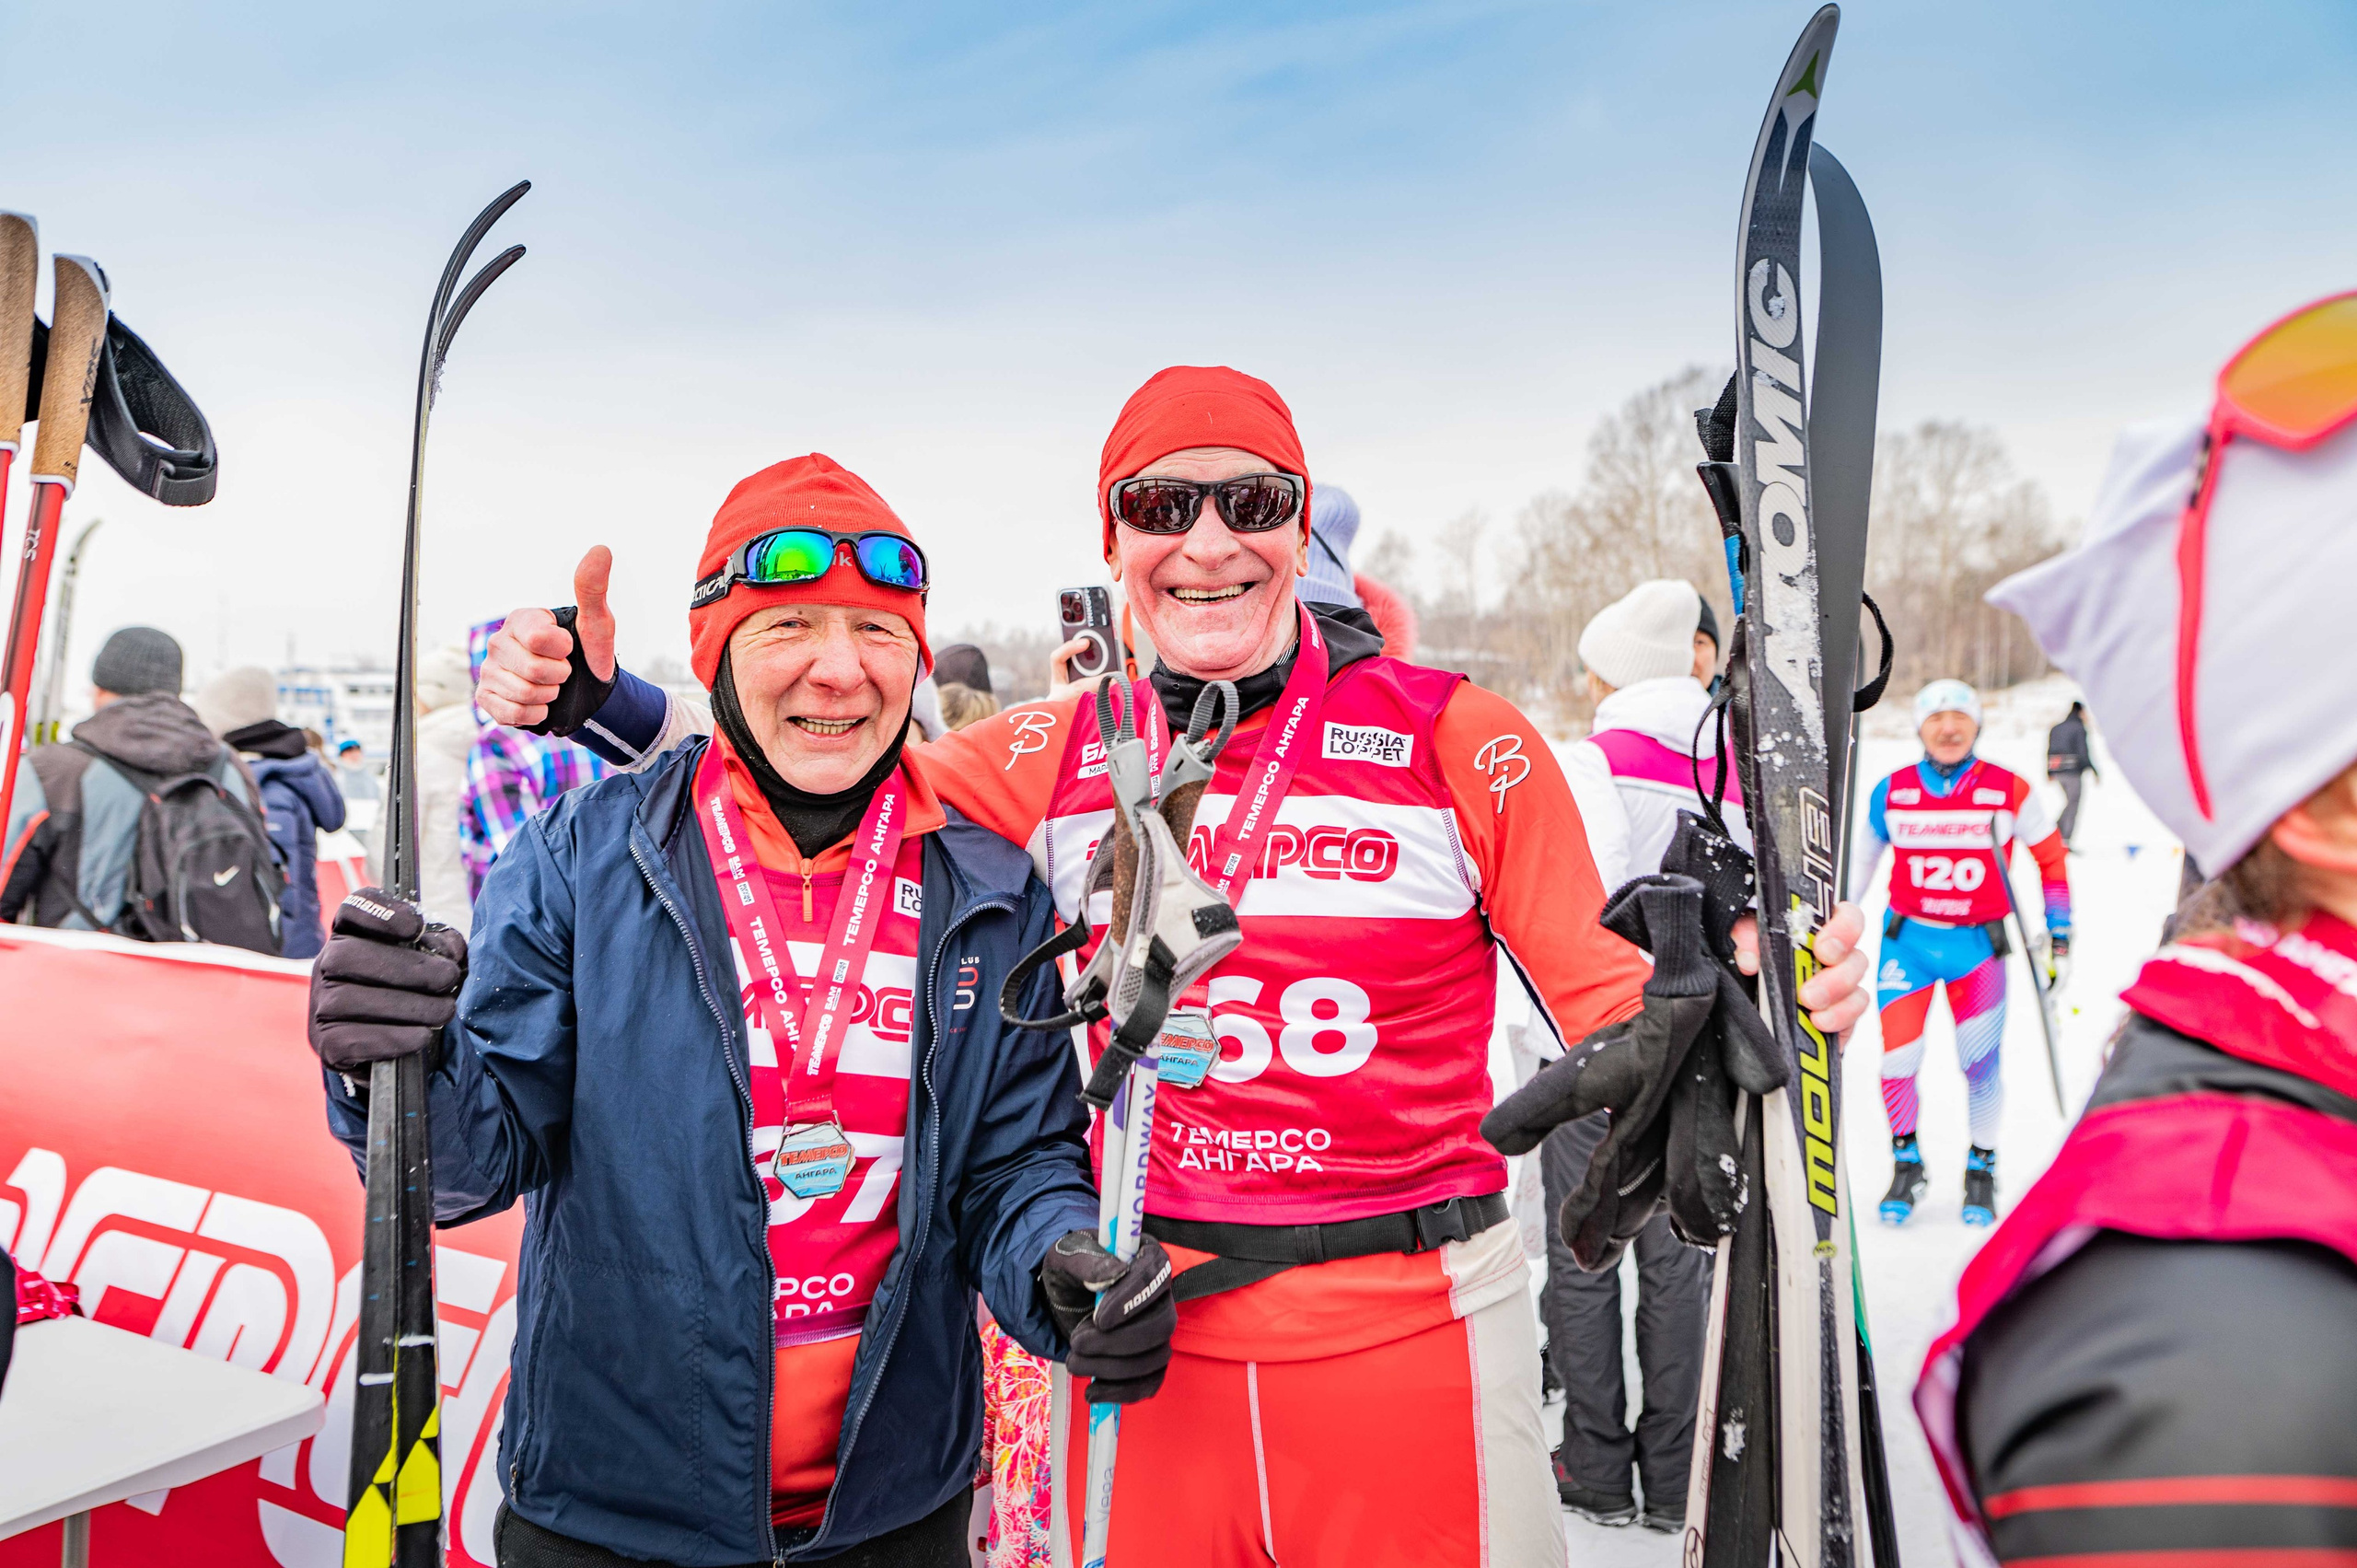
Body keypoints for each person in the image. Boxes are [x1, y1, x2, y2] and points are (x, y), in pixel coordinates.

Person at [475, 366, 1874, 1567]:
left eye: (1252, 501)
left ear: (1299, 524)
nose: (1208, 541)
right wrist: (611, 700)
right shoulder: (1053, 750)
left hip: (1420, 1337)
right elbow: (817, 756)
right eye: (1162, 504)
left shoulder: (1462, 735)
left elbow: (1618, 996)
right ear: (1117, 537)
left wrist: (1747, 995)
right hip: (1153, 1347)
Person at [306, 454, 1162, 1565]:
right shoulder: (588, 855)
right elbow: (469, 1168)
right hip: (614, 1512)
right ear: (714, 654)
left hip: (892, 1512)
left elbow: (1015, 1163)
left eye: (878, 632)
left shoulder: (984, 885)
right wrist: (396, 1059)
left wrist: (1059, 1255)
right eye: (789, 626)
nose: (840, 671)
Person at [1919, 291, 2357, 1562]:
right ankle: (1921, 1163)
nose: (1948, 735)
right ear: (2332, 806)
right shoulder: (2210, 1362)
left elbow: (2040, 856)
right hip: (1933, 953)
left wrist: (2048, 924)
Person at [1545, 578, 1748, 1528]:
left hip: (1602, 1041)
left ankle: (1594, 1462)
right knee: (1678, 1257)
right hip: (1705, 1043)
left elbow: (1569, 911)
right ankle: (1674, 1477)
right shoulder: (1743, 764)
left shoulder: (1591, 761)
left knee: (1585, 1246)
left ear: (1602, 674)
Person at [1849, 679, 2072, 1228]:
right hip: (1910, 946)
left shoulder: (2009, 790)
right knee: (1897, 1063)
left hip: (1978, 951)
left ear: (1977, 724)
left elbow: (2052, 861)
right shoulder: (1892, 791)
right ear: (1919, 727)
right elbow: (1857, 872)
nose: (1948, 727)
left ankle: (1981, 1168)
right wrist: (1833, 931)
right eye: (1935, 718)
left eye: (1960, 717)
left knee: (1980, 1067)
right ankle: (1907, 1163)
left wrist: (2059, 936)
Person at [1, 627, 263, 932]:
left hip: (80, 969)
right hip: (202, 968)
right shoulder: (231, 767)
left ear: (100, 689)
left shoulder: (50, 771)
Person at [196, 666, 347, 959]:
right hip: (297, 936)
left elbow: (272, 883)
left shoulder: (257, 784)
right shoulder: (294, 772)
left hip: (271, 947)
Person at [458, 619, 612, 900]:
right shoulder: (593, 726)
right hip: (604, 900)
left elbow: (520, 858)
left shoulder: (495, 744)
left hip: (529, 922)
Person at [412, 644, 477, 927]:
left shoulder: (419, 751)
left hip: (433, 911)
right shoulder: (495, 742)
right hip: (489, 903)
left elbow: (389, 845)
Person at [2045, 700, 2097, 846]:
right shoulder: (2079, 728)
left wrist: (2049, 771)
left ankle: (2056, 834)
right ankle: (2064, 838)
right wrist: (2092, 768)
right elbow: (2083, 750)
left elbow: (2050, 749)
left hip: (2058, 771)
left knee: (2069, 802)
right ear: (2080, 712)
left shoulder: (2057, 728)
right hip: (2073, 771)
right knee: (2073, 804)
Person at [334, 738, 382, 853]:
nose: (354, 755)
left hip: (372, 828)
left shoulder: (374, 780)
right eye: (349, 752)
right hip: (347, 831)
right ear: (342, 756)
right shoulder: (336, 779)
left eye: (356, 751)